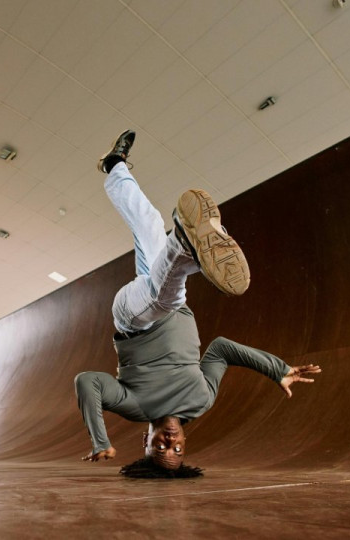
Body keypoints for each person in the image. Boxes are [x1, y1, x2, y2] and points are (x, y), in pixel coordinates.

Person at [74, 130, 321, 478]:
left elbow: (88, 382)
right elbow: (221, 350)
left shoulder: (135, 407)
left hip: (134, 318)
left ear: (146, 442)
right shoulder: (201, 400)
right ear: (185, 442)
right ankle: (114, 166)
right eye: (177, 449)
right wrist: (276, 369)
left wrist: (100, 440)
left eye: (159, 447)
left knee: (165, 292)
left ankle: (185, 242)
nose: (169, 441)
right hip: (170, 299)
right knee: (148, 224)